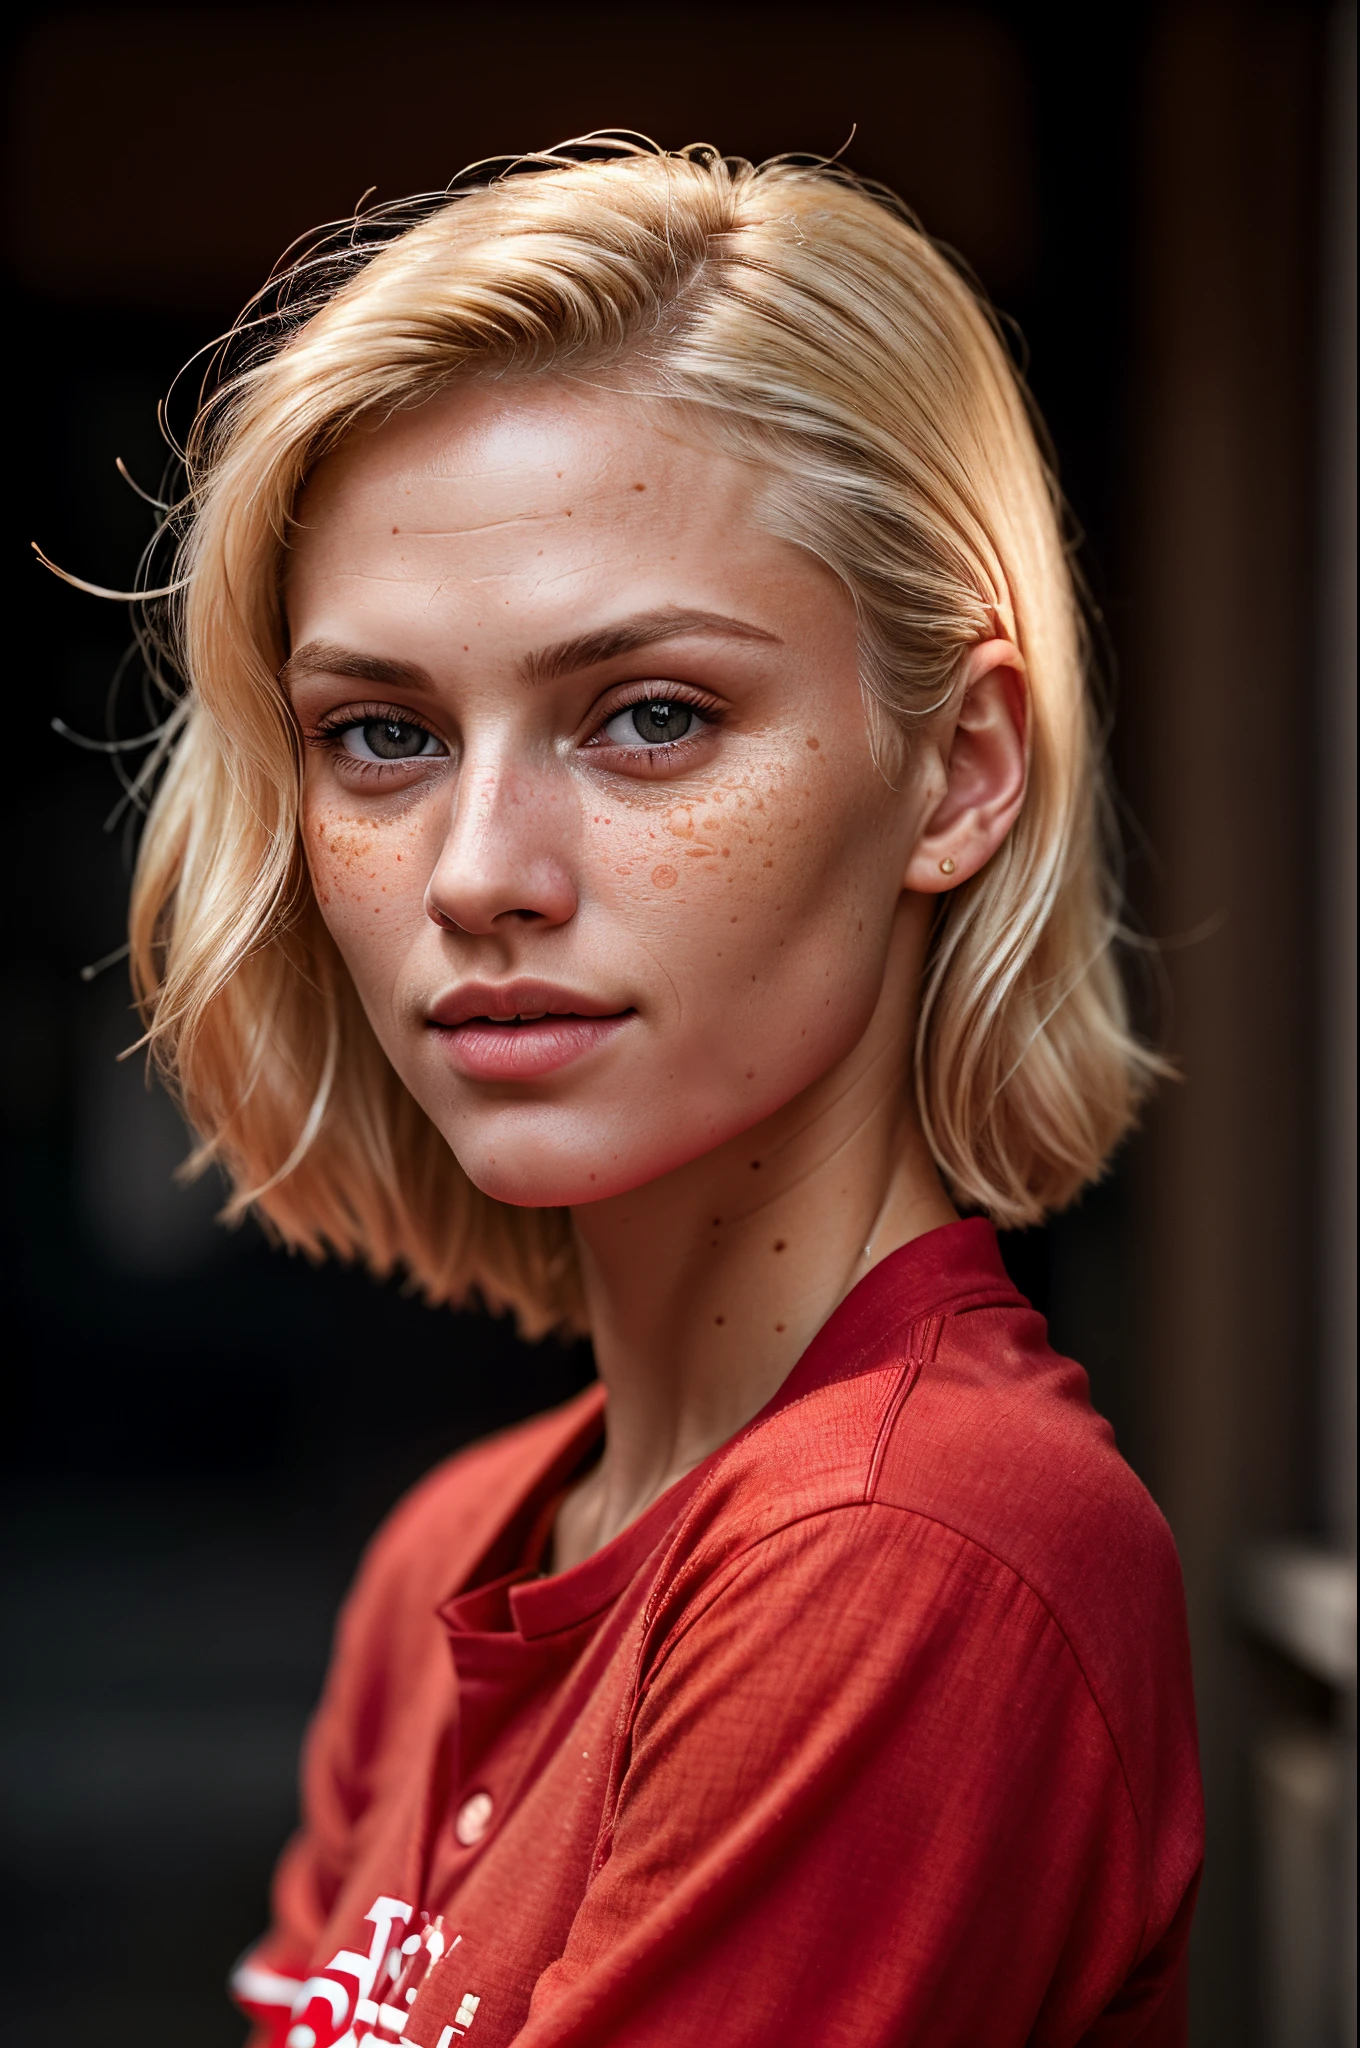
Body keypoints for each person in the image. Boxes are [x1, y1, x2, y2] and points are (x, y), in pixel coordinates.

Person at [96, 142, 1203, 2045]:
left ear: (957, 774)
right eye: (382, 736)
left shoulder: (916, 1545)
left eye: (650, 716)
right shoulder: (455, 1552)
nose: (478, 870)